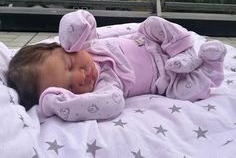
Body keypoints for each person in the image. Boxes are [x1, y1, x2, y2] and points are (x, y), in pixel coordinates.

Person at [7, 10, 227, 121]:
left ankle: (186, 51)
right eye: (71, 88)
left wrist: (73, 27)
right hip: (169, 77)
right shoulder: (106, 85)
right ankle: (210, 67)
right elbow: (111, 104)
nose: (80, 76)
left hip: (153, 42)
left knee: (153, 22)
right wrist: (58, 105)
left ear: (66, 47)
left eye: (70, 63)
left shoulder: (88, 44)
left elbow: (82, 21)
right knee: (183, 92)